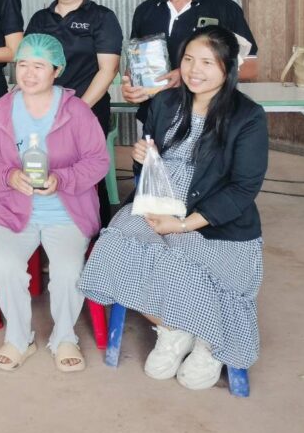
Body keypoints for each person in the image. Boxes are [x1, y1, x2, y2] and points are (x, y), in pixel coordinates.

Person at [79, 26, 267, 390]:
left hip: (212, 218)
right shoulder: (165, 103)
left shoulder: (247, 116)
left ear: (228, 67)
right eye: (189, 60)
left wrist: (182, 225)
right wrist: (142, 157)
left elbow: (243, 189)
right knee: (113, 247)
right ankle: (173, 329)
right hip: (157, 203)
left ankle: (209, 342)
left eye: (208, 62)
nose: (195, 70)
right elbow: (149, 166)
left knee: (192, 262)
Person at [0, 34, 110, 372]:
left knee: (68, 270)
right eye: (22, 64)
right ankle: (19, 338)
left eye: (39, 66)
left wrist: (61, 180)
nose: (29, 73)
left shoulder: (76, 111)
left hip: (66, 211)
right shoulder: (0, 110)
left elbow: (98, 161)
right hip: (12, 209)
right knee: (4, 267)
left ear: (56, 70)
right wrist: (9, 176)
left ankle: (65, 337)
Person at [25, 0, 122, 222]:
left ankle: (96, 233)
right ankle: (53, 229)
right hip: (44, 111)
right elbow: (29, 64)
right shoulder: (40, 19)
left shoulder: (101, 17)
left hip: (86, 108)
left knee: (86, 174)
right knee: (46, 170)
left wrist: (77, 109)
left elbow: (108, 69)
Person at [122, 0, 257, 123]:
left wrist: (186, 74)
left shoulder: (225, 9)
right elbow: (135, 64)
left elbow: (250, 67)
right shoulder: (145, 11)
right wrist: (131, 86)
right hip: (155, 118)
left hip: (210, 118)